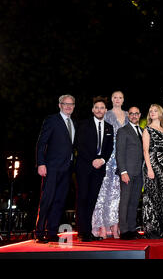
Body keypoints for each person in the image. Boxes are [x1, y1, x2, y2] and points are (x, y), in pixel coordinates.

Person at [35, 95, 76, 243]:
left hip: (67, 169)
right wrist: (41, 163)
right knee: (47, 199)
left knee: (59, 201)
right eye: (65, 104)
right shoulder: (52, 120)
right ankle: (39, 232)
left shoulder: (73, 123)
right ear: (59, 105)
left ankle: (52, 232)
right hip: (51, 167)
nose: (68, 106)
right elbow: (41, 143)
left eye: (71, 104)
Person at [75, 96, 114, 242]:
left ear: (106, 110)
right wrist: (93, 160)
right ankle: (82, 231)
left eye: (102, 108)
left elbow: (109, 148)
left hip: (99, 168)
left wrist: (102, 160)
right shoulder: (83, 124)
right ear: (93, 110)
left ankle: (88, 231)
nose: (99, 110)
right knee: (83, 198)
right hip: (85, 166)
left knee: (92, 200)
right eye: (96, 107)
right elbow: (79, 144)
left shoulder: (109, 127)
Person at [92, 91, 128, 239]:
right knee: (103, 192)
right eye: (115, 97)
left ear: (123, 99)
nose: (117, 99)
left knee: (119, 194)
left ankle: (115, 226)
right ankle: (101, 226)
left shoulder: (128, 114)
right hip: (108, 155)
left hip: (123, 156)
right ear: (111, 100)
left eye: (120, 97)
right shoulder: (106, 114)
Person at [116, 107, 145, 240]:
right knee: (125, 201)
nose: (134, 116)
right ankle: (124, 230)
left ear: (139, 115)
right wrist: (123, 171)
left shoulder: (142, 131)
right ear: (128, 115)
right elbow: (120, 153)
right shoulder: (123, 131)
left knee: (134, 202)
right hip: (127, 172)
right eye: (131, 113)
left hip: (139, 173)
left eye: (136, 114)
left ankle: (132, 229)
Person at [142, 104, 163, 238]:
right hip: (152, 163)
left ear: (160, 113)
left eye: (155, 111)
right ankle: (152, 229)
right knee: (153, 196)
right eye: (150, 111)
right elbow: (145, 151)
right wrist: (149, 168)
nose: (152, 113)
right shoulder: (147, 129)